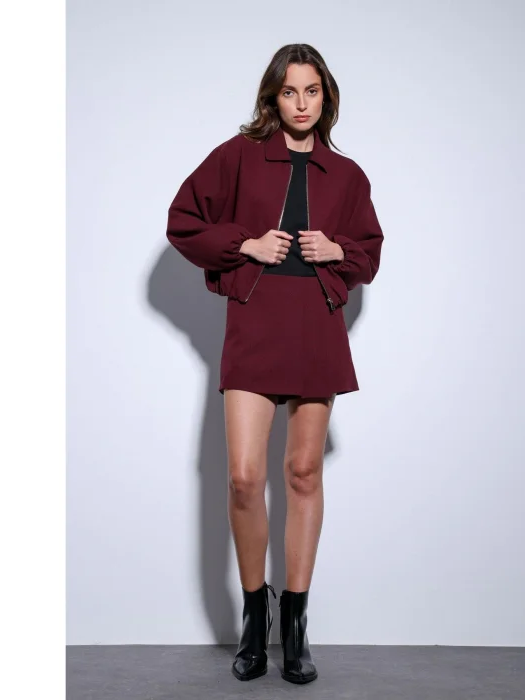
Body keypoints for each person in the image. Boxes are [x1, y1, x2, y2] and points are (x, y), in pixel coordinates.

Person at [166, 43, 384, 684]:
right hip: (256, 327)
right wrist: (245, 244)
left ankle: (296, 624)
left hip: (315, 328)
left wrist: (336, 249)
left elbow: (368, 253)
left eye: (312, 91)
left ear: (326, 97)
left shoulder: (348, 176)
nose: (301, 104)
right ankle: (253, 616)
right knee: (242, 476)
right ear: (273, 97)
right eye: (290, 92)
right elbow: (183, 221)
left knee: (303, 472)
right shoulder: (237, 156)